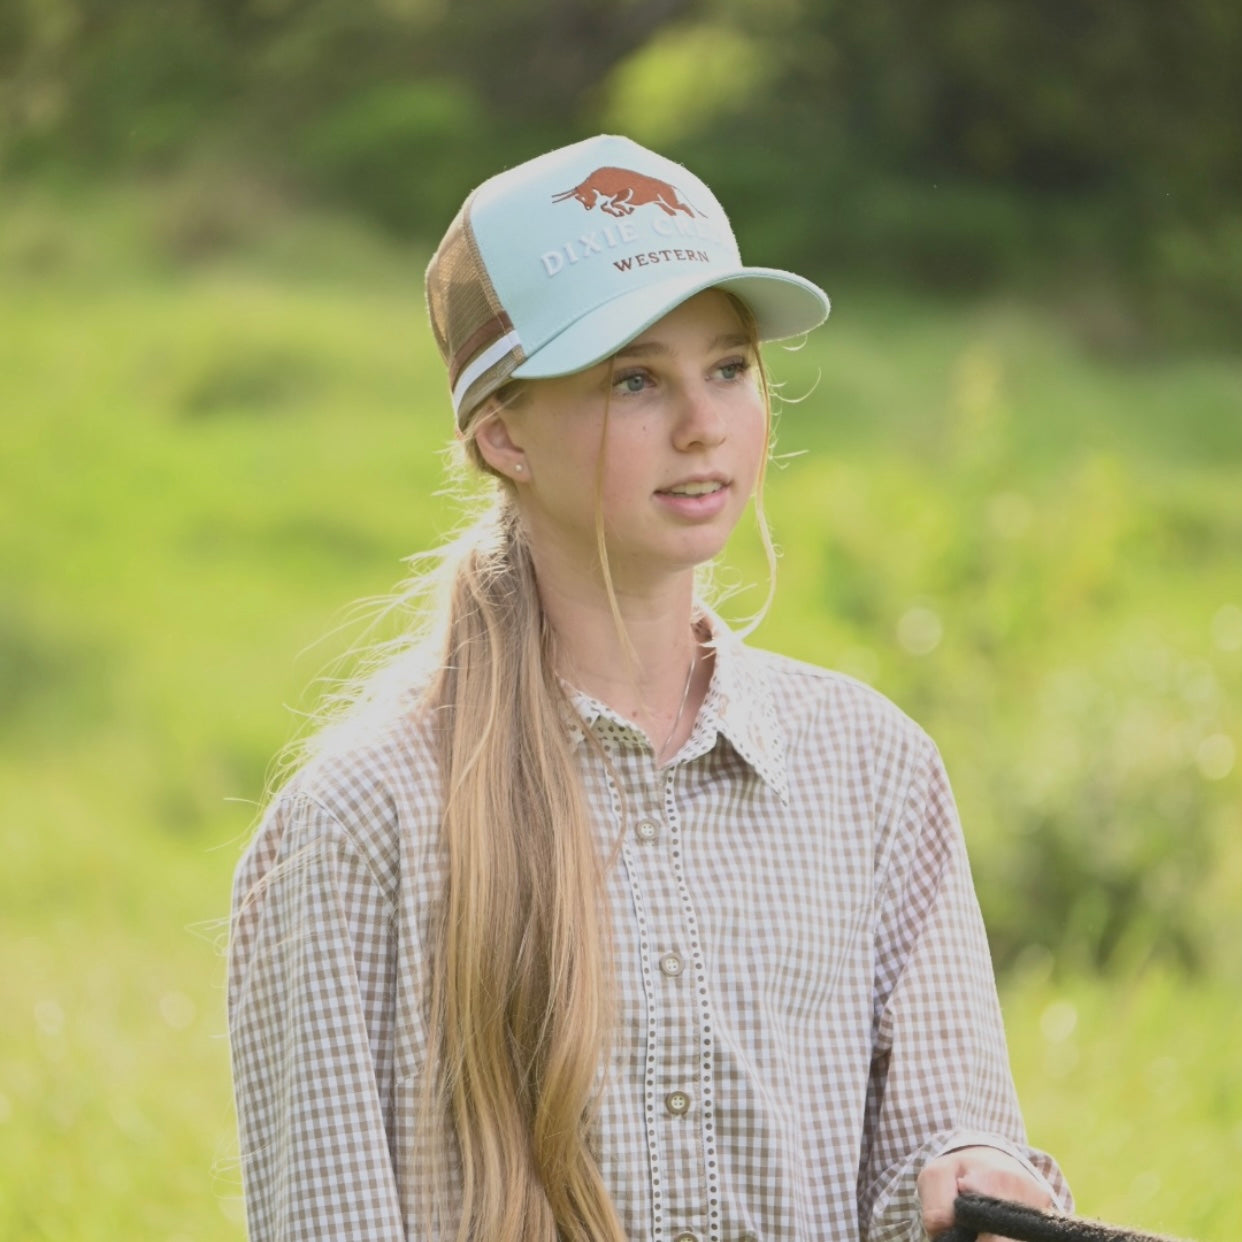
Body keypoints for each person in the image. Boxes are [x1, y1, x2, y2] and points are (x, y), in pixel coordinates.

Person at [227, 134, 1071, 1242]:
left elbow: (940, 1145)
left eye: (728, 368)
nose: (702, 424)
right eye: (635, 379)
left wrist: (969, 1173)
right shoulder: (360, 822)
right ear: (504, 437)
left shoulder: (874, 770)